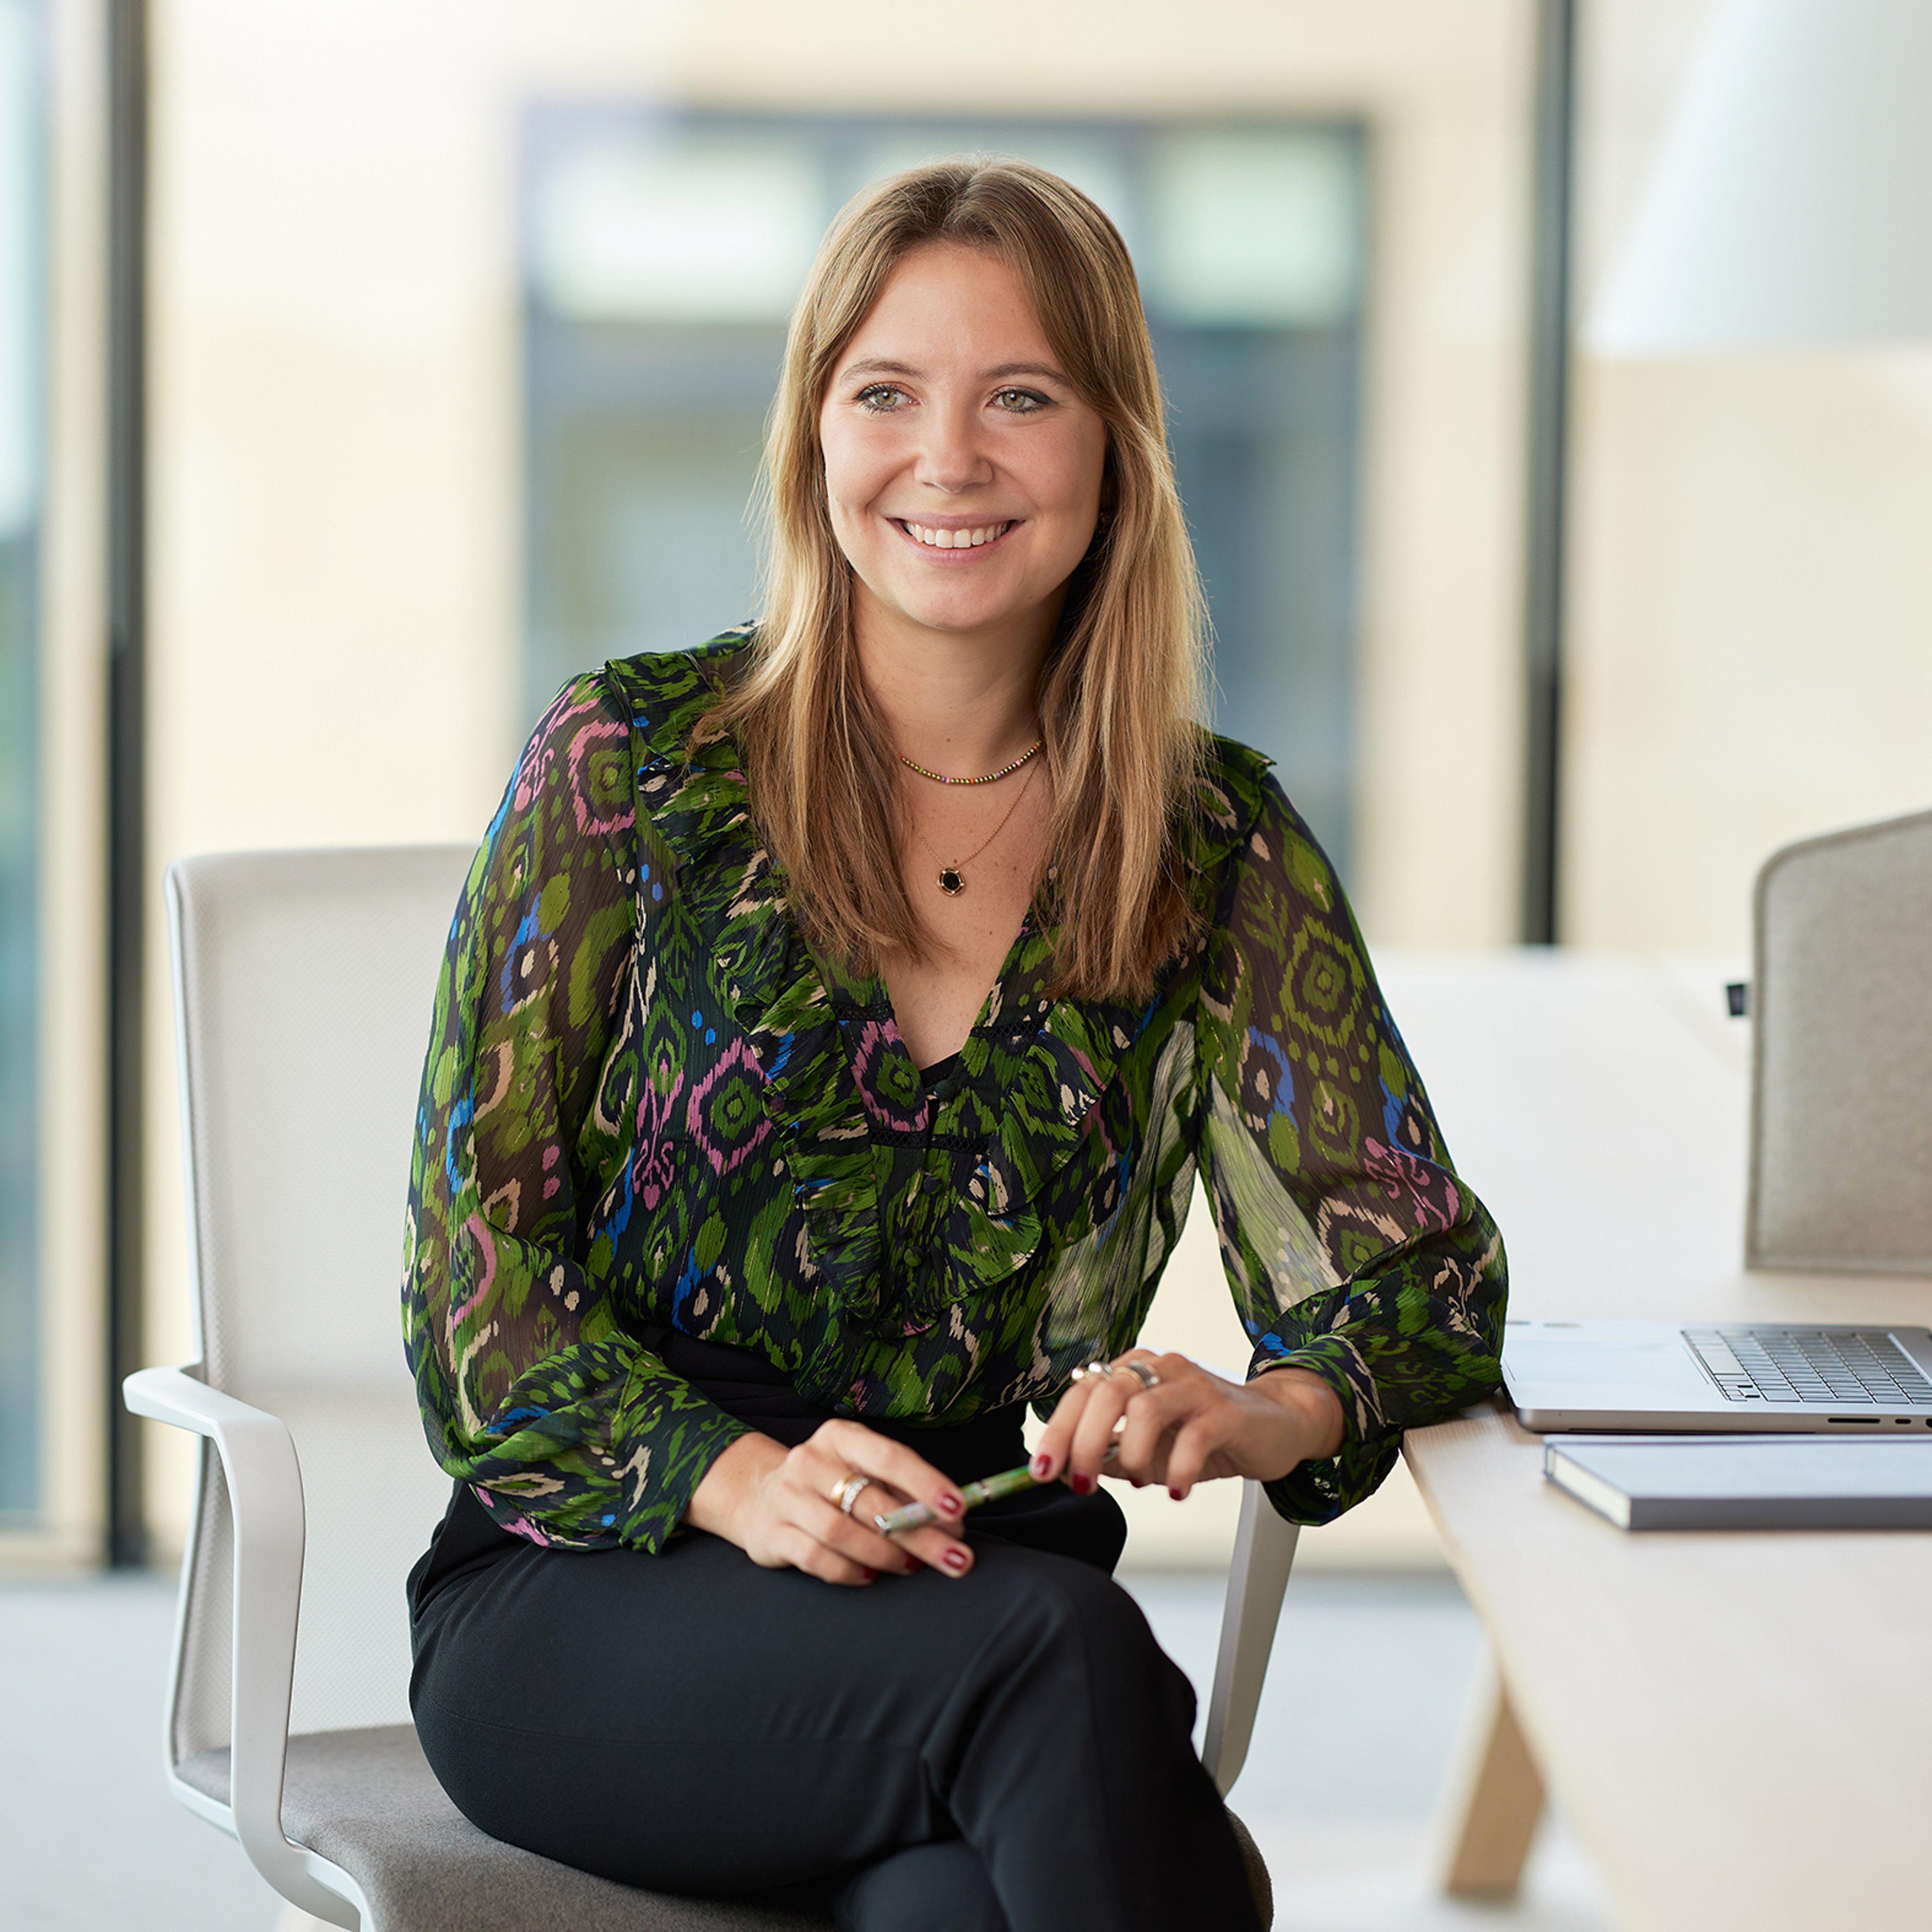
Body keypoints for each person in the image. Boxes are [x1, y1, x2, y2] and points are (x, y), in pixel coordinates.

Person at [401, 157, 1506, 1932]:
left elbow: (1419, 1278)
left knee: (960, 1897)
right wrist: (745, 1484)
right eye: (887, 395)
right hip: (600, 1581)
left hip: (976, 1562)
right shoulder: (629, 765)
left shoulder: (1211, 843)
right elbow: (478, 1298)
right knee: (1095, 1724)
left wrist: (1249, 1407)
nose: (951, 458)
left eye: (1021, 397)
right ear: (814, 441)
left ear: (1114, 448)